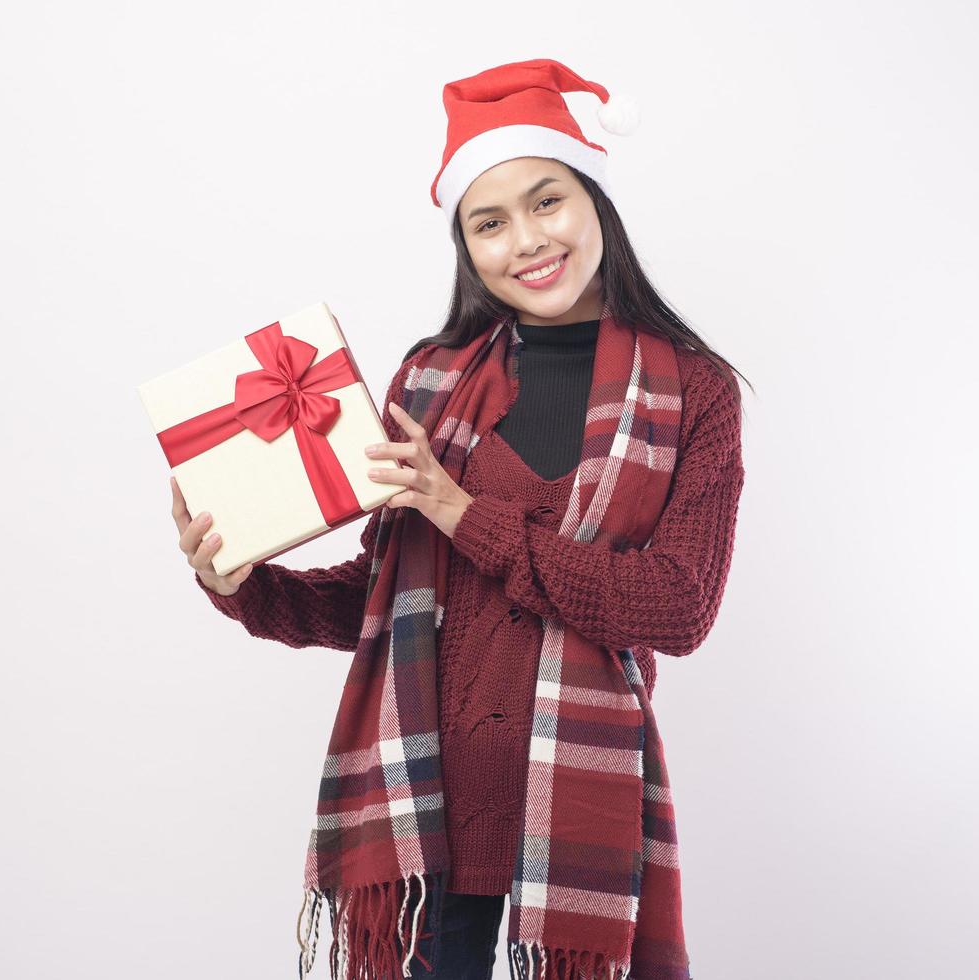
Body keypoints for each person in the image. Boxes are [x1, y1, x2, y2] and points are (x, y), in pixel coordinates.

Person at [170, 58, 749, 980]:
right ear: (466, 245)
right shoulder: (428, 385)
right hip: (425, 805)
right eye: (490, 222)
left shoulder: (692, 392)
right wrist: (241, 583)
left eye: (546, 201)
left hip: (586, 812)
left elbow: (677, 607)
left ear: (594, 201)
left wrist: (461, 510)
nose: (526, 240)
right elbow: (376, 598)